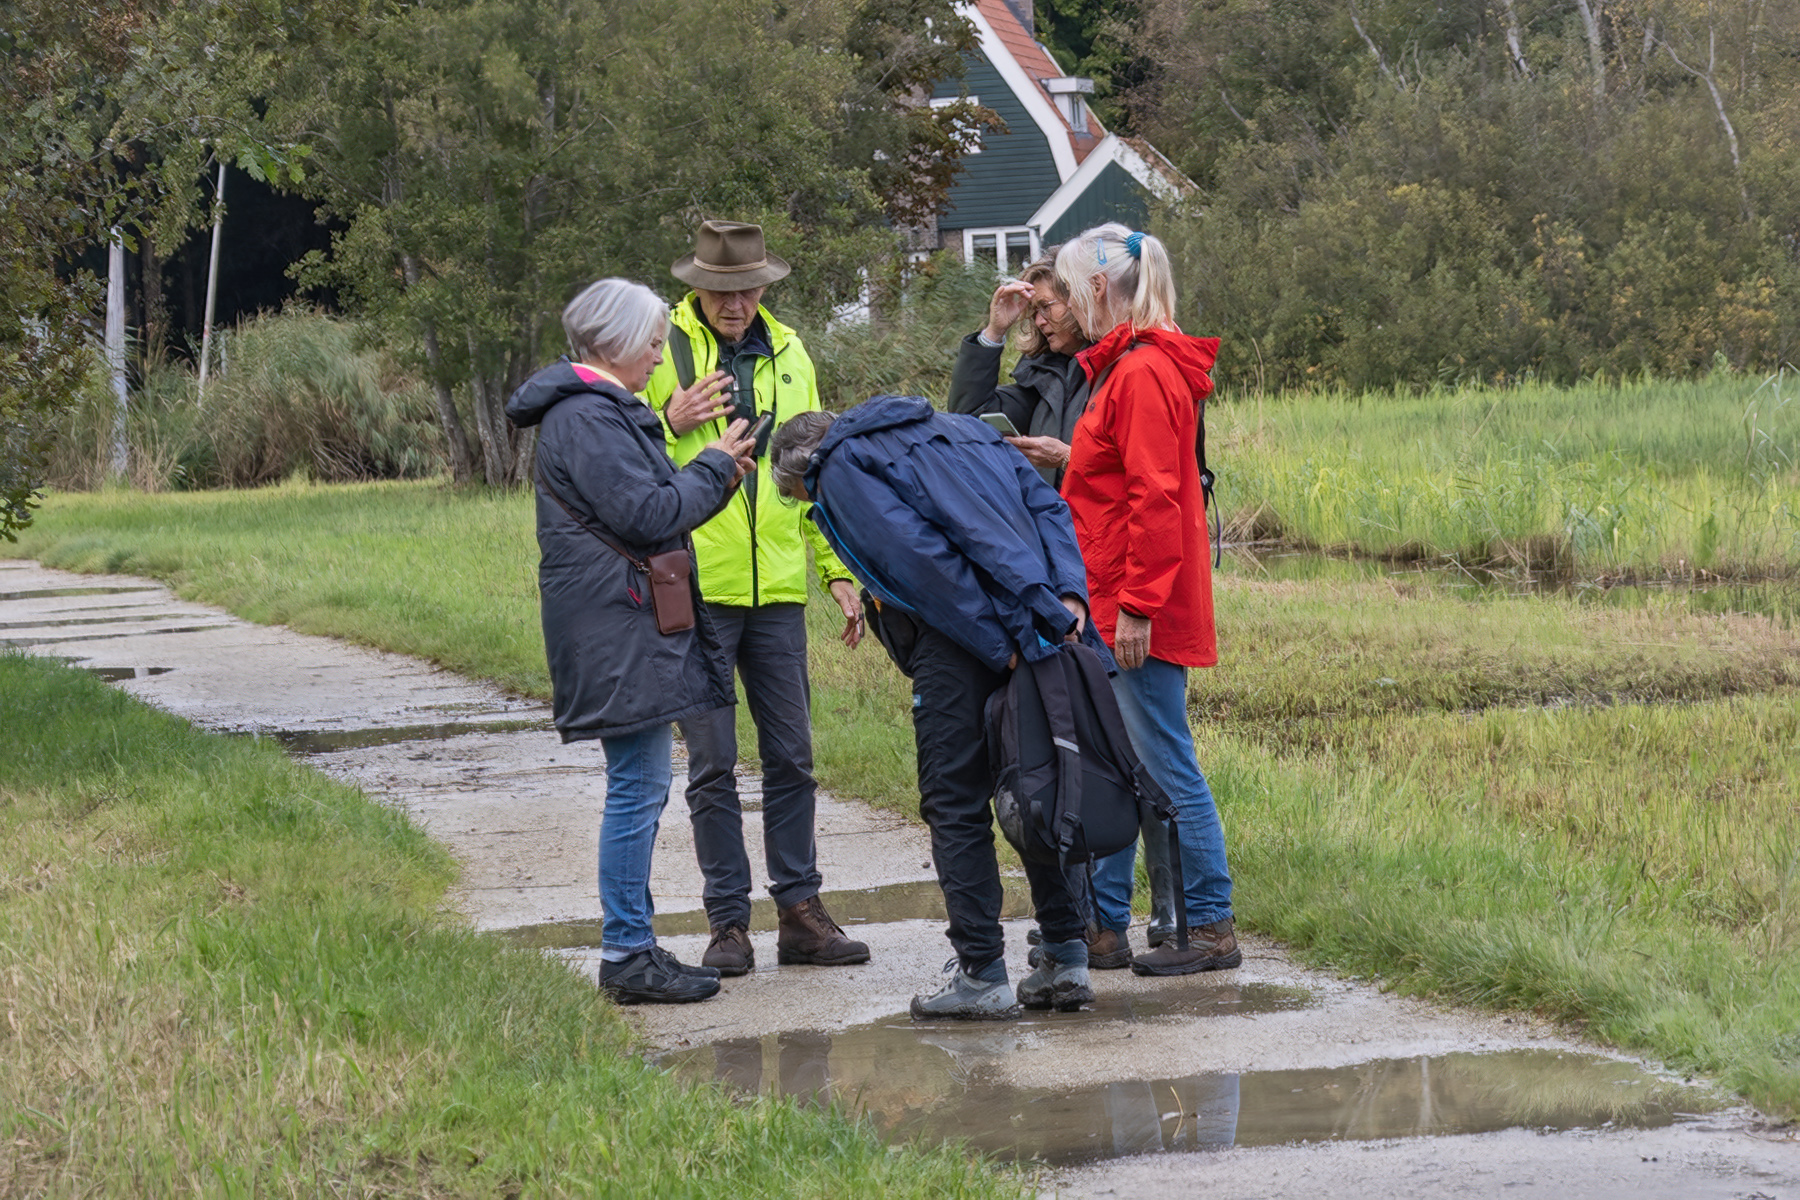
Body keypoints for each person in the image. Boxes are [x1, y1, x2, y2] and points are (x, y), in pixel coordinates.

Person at [768, 398, 1097, 1019]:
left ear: (802, 469)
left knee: (955, 803)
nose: (809, 503)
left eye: (799, 497)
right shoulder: (964, 428)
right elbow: (1048, 506)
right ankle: (1065, 954)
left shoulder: (840, 466)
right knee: (1040, 784)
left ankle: (981, 972)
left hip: (964, 640)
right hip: (1040, 626)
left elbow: (922, 565)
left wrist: (1001, 648)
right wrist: (1068, 595)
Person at [505, 277, 757, 1005]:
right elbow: (647, 515)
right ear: (614, 342)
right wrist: (713, 464)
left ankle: (635, 945)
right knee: (638, 787)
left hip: (621, 621)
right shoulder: (589, 416)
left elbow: (648, 510)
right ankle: (626, 952)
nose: (657, 356)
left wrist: (715, 476)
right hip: (617, 624)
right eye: (651, 343)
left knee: (641, 784)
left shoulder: (596, 410)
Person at [641, 219, 869, 977]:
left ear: (764, 286)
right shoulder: (661, 351)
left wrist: (837, 569)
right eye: (721, 291)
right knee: (712, 764)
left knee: (792, 758)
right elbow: (617, 456)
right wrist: (667, 420)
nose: (735, 303)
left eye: (748, 290)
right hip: (698, 586)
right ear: (697, 288)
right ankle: (728, 924)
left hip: (775, 589)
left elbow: (816, 470)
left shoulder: (792, 352)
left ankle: (801, 915)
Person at [949, 259, 1182, 962]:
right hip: (1060, 570)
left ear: (1084, 300)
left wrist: (1069, 454)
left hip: (1115, 569)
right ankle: (1095, 918)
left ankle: (1169, 914)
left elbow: (1146, 474)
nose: (1042, 319)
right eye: (1034, 310)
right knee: (1080, 739)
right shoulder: (1042, 375)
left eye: (1048, 306)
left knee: (1139, 746)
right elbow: (964, 426)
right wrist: (992, 334)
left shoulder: (1127, 367)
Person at [1054, 223, 1240, 976]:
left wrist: (1136, 606)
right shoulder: (1131, 367)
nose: (1070, 305)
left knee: (1164, 763)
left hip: (1137, 608)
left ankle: (1212, 924)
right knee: (1124, 759)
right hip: (1115, 597)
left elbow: (1155, 498)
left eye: (1073, 291)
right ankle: (1107, 924)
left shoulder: (1142, 372)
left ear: (1101, 288)